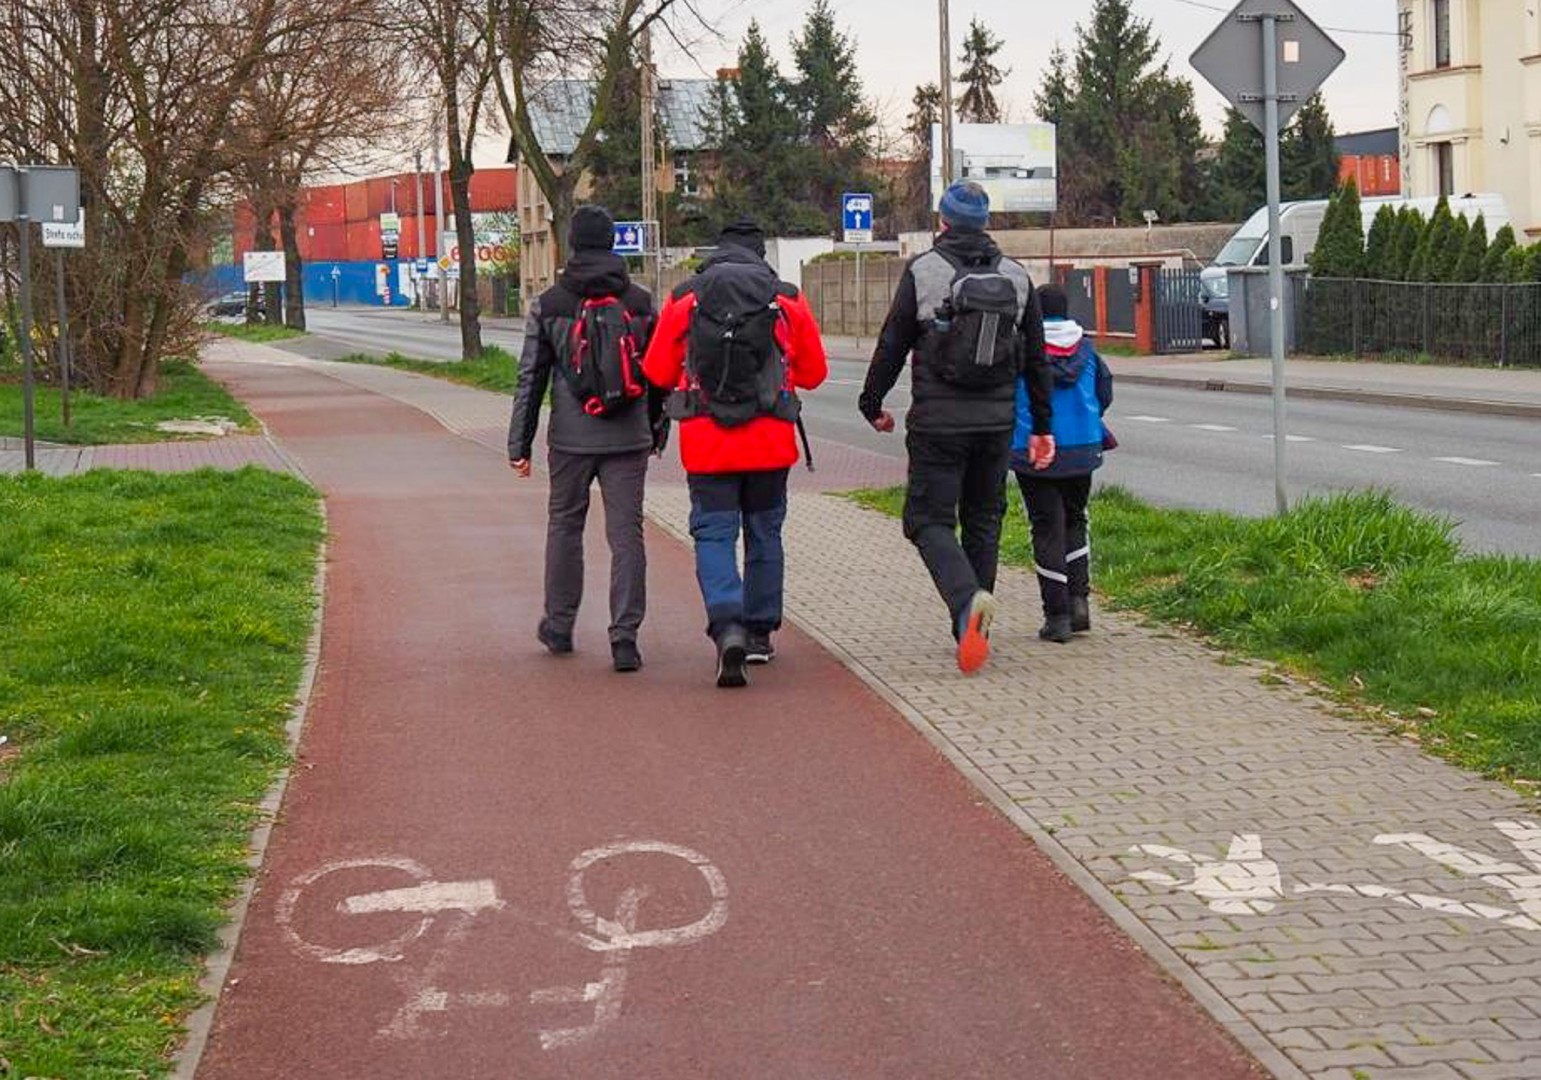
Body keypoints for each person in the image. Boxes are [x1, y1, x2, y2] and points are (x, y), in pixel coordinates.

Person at [859, 180, 1054, 675]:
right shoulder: (1016, 275)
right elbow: (1036, 358)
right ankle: (971, 630)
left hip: (938, 424)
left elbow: (893, 342)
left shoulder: (924, 271)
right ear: (986, 223)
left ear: (942, 221)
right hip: (996, 425)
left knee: (926, 520)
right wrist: (1042, 427)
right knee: (984, 521)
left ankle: (967, 603)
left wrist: (872, 401)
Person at [642, 218, 828, 688]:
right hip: (770, 441)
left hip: (707, 442)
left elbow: (658, 370)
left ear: (716, 252)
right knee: (765, 532)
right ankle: (761, 633)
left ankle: (728, 626)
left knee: (714, 534)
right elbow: (814, 373)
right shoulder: (785, 296)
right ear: (760, 254)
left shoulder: (686, 296)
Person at [508, 204, 662, 673]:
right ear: (613, 242)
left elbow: (530, 378)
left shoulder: (550, 303)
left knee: (564, 527)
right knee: (626, 535)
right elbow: (657, 376)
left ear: (571, 243)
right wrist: (655, 429)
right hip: (627, 438)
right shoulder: (638, 301)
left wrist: (520, 444)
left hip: (571, 441)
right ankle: (625, 638)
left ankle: (559, 624)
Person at [1012, 283, 1114, 643]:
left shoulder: (1022, 348)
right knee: (1075, 518)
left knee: (1045, 526)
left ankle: (1056, 617)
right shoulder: (1087, 348)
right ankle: (1079, 602)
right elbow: (1105, 392)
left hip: (1035, 448)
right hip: (1083, 446)